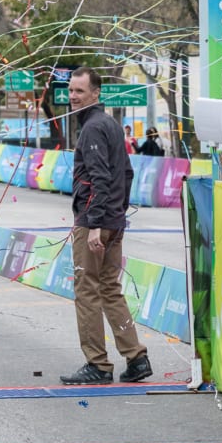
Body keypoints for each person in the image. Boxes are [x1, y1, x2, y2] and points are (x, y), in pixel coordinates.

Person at [60, 67, 151, 386]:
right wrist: (117, 214)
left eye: (80, 91)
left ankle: (97, 363)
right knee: (110, 287)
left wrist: (98, 223)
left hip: (95, 222)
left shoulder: (93, 128)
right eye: (71, 90)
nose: (73, 96)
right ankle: (136, 357)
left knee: (87, 289)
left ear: (96, 94)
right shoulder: (109, 124)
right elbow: (126, 173)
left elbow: (100, 177)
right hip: (112, 219)